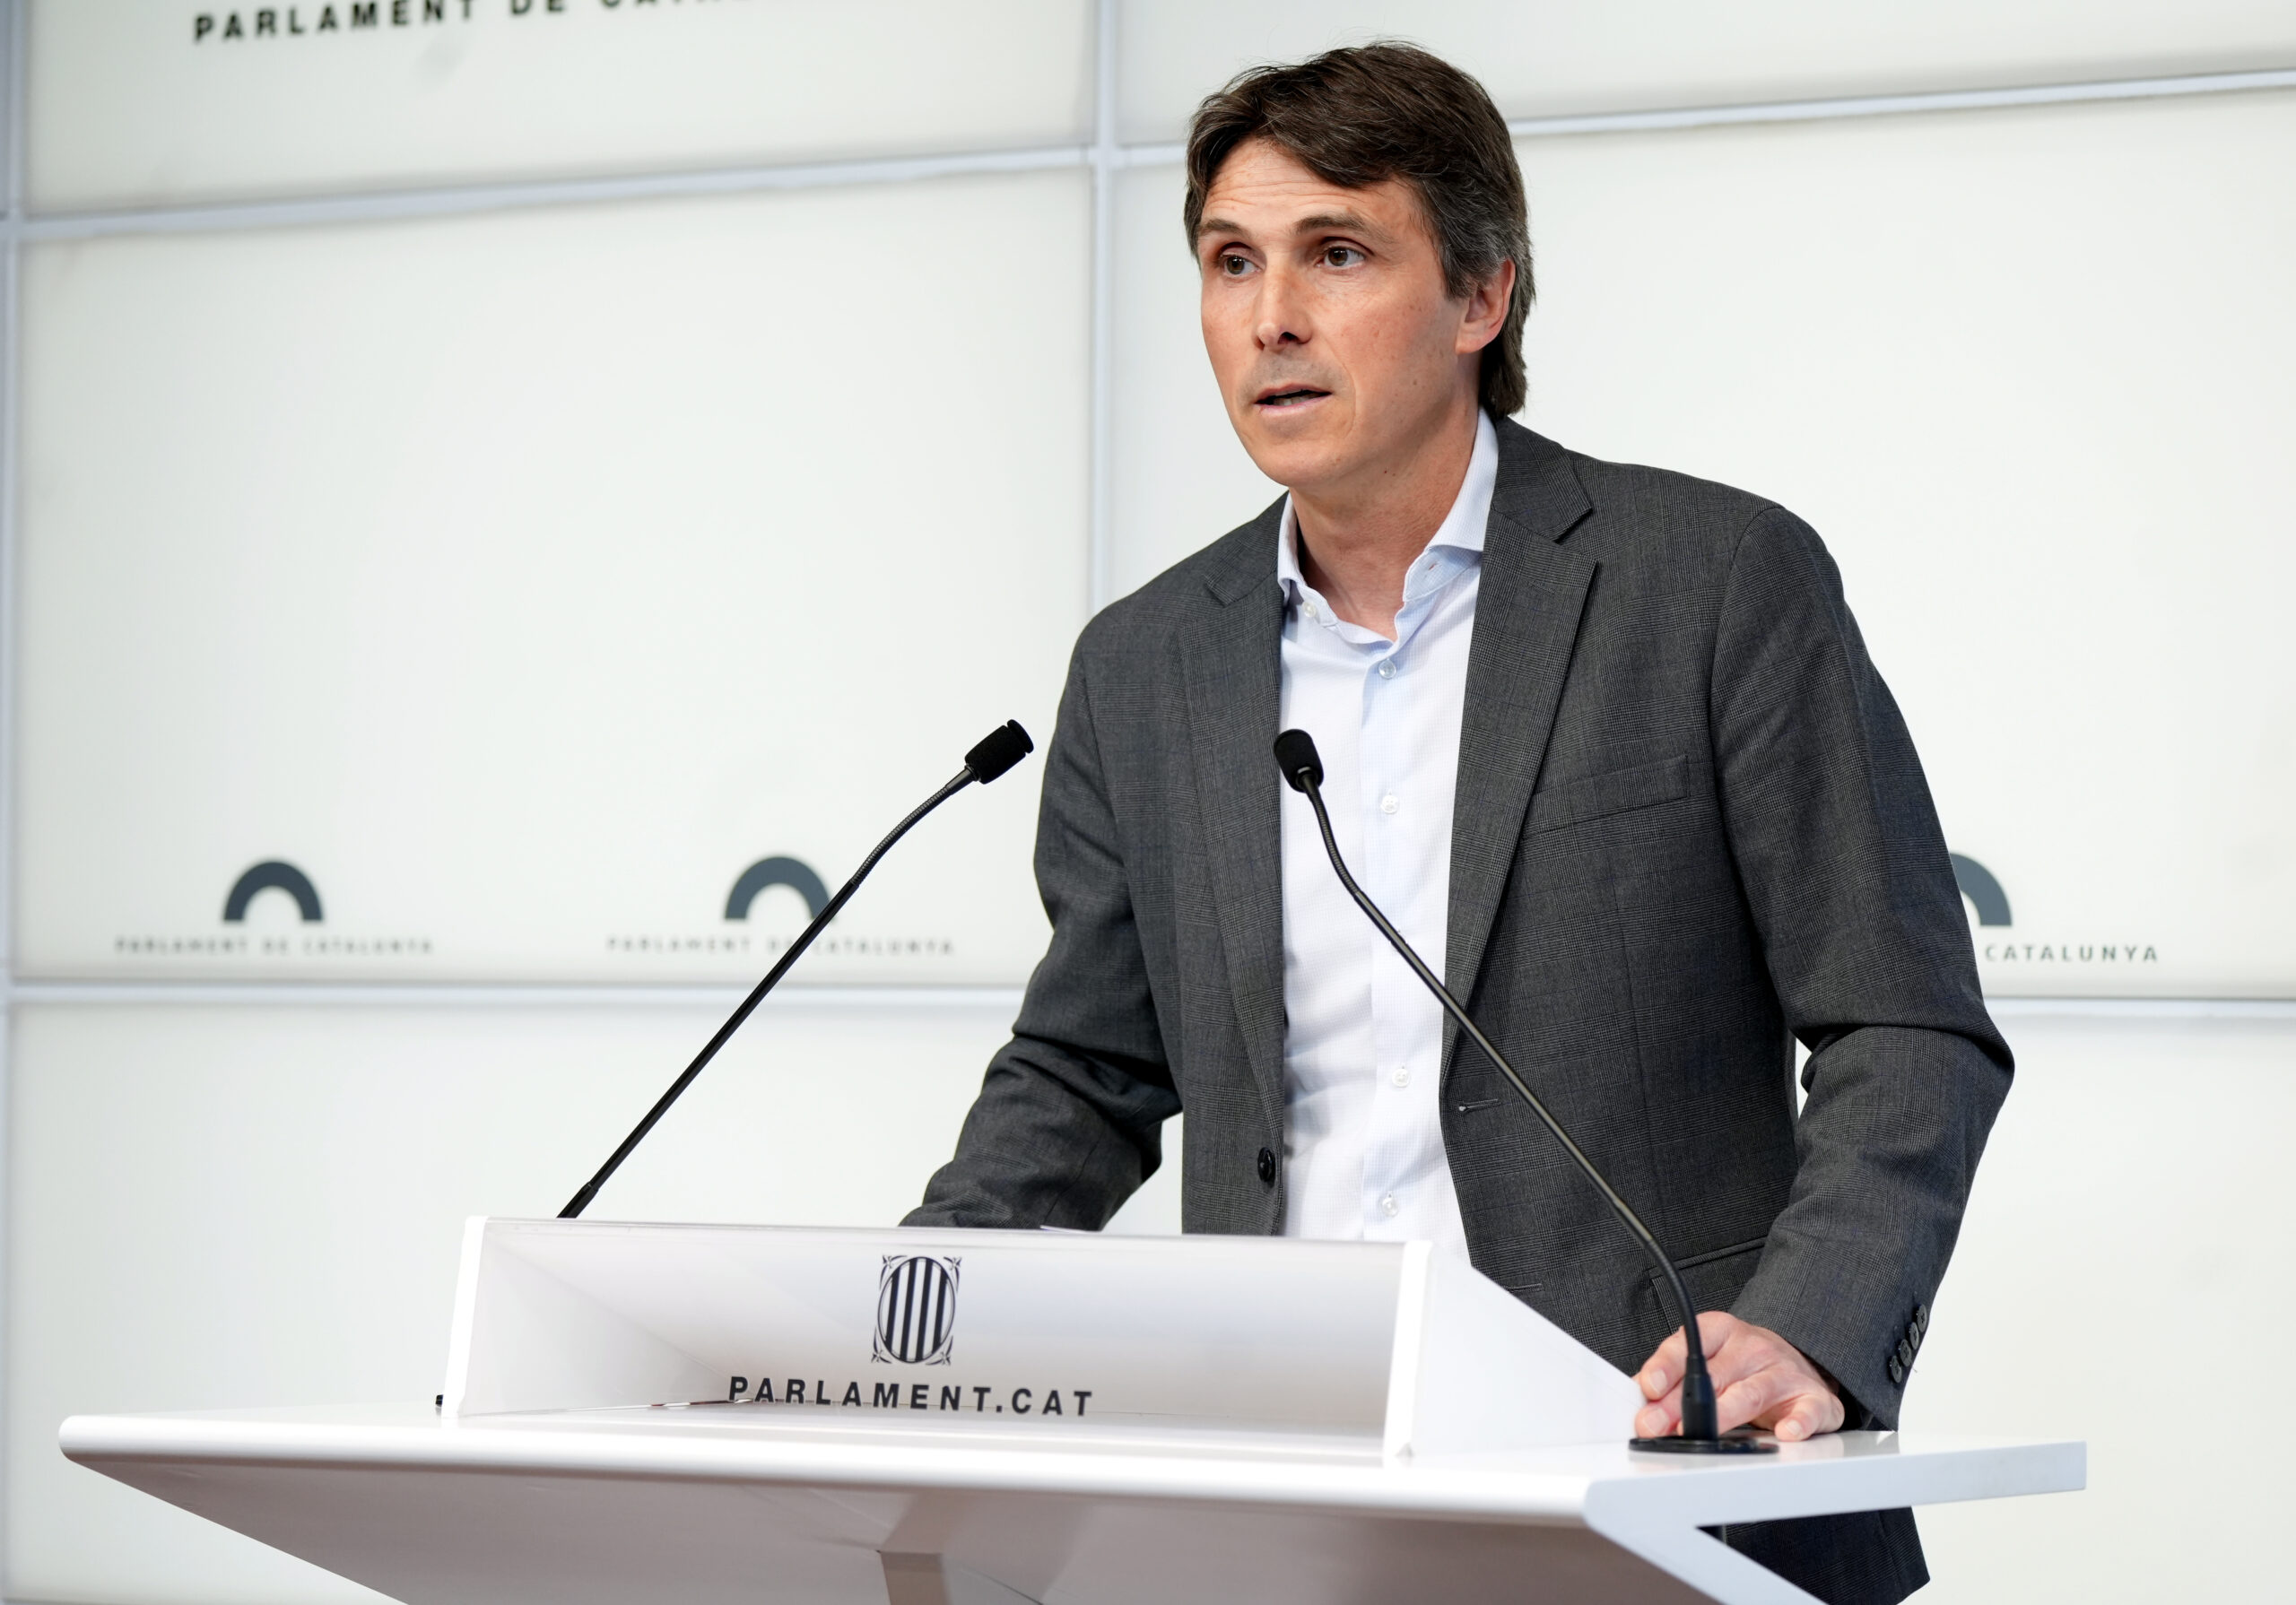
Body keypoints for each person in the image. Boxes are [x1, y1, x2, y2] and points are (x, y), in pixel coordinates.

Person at [908, 42, 2010, 1605]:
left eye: (1336, 253)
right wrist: (913, 1305)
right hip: (1285, 1505)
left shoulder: (1712, 584)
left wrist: (1808, 1329)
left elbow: (1907, 1021)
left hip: (1658, 1478)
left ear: (1482, 295)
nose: (1270, 318)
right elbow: (1087, 1070)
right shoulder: (1145, 664)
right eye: (1231, 262)